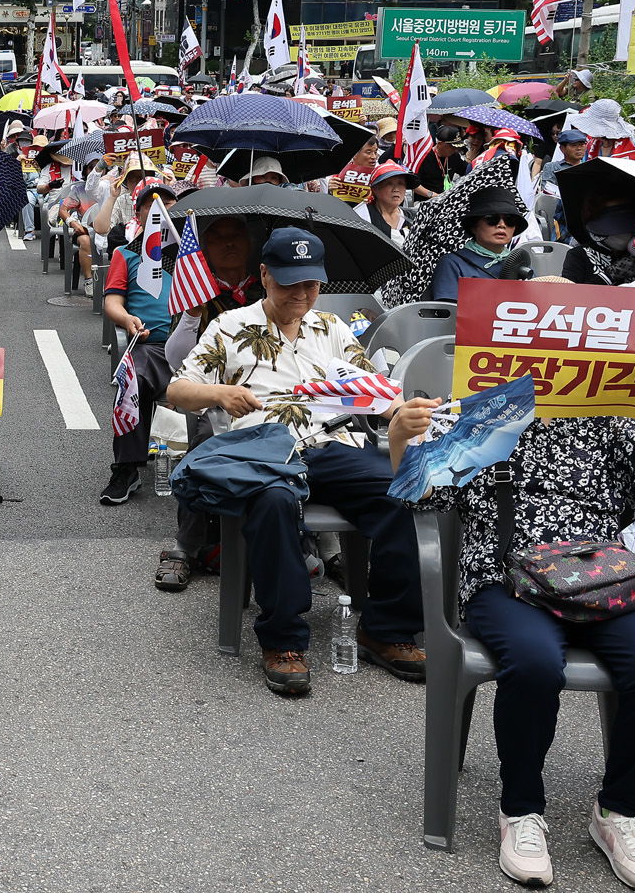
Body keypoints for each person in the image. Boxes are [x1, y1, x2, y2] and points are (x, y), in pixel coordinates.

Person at [388, 347, 635, 890]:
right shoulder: (477, 413)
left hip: (601, 579)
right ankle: (521, 809)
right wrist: (398, 439)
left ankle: (621, 812)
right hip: (505, 578)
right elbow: (420, 497)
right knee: (532, 664)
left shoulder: (611, 417)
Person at [166, 228, 425, 696]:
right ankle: (283, 639)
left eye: (310, 284)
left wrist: (400, 412)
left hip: (332, 447)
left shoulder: (332, 328)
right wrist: (219, 392)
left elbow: (371, 392)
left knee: (400, 488)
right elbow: (177, 390)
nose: (301, 294)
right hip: (267, 452)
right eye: (289, 284)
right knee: (273, 504)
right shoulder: (229, 325)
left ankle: (386, 629)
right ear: (264, 275)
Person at [153, 211, 257, 591]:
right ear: (205, 250)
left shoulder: (273, 289)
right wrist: (193, 314)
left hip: (272, 397)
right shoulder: (195, 290)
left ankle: (323, 546)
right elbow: (176, 359)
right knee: (204, 444)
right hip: (212, 398)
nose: (229, 243)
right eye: (218, 238)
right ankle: (186, 547)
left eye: (237, 235)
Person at [100, 183, 180, 505]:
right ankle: (126, 468)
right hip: (150, 346)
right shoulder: (126, 254)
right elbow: (112, 303)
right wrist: (127, 320)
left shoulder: (192, 254)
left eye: (168, 204)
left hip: (195, 346)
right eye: (152, 205)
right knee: (130, 376)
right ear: (139, 213)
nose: (161, 211)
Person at [430, 186, 528, 301]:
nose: (502, 225)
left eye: (510, 220)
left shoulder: (519, 262)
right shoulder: (453, 263)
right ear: (473, 227)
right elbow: (448, 312)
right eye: (492, 218)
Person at [356, 161, 413, 247]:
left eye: (401, 183)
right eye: (389, 184)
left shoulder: (413, 217)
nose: (396, 189)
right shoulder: (362, 216)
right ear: (375, 189)